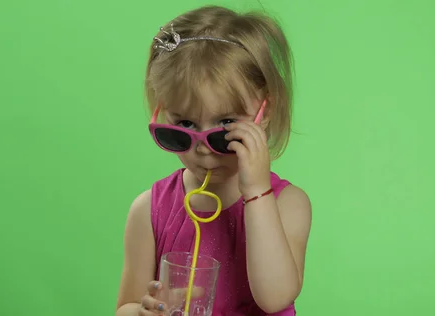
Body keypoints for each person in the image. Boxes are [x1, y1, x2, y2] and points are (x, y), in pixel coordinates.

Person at [116, 5, 312, 316]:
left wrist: (257, 193)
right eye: (184, 125)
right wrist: (142, 311)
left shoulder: (287, 204)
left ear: (265, 112)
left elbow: (274, 298)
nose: (203, 149)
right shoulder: (148, 210)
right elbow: (125, 306)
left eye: (225, 125)